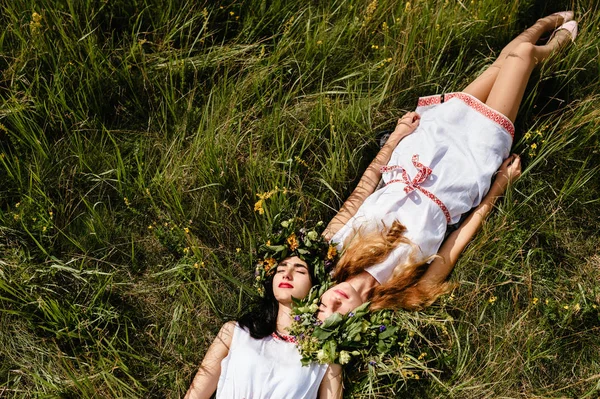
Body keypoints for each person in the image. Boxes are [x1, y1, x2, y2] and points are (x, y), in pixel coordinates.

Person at [318, 12, 578, 320]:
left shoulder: (332, 249)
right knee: (520, 57)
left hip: (422, 149)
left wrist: (396, 137)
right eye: (336, 313)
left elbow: (363, 188)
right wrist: (499, 186)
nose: (332, 301)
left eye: (322, 304)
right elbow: (455, 244)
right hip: (464, 169)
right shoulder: (406, 290)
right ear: (352, 325)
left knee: (500, 65)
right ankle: (556, 43)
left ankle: (544, 25)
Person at [184, 220, 342, 399]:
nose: (286, 274)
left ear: (316, 287)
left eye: (300, 271)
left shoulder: (325, 358)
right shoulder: (235, 332)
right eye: (280, 269)